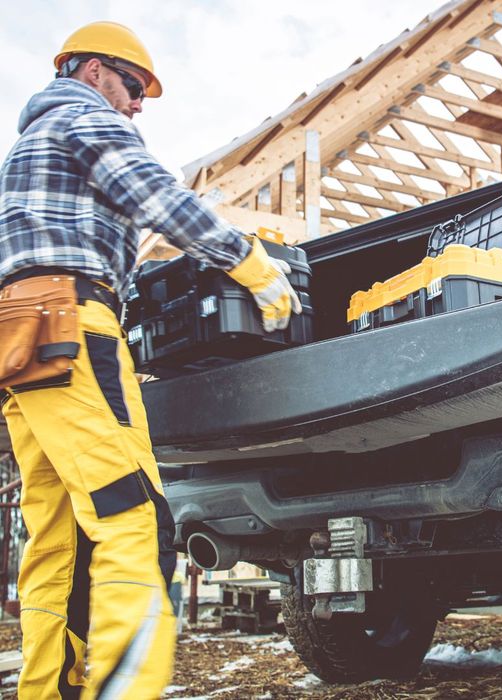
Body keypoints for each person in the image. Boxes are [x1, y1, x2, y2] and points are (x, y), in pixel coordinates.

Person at [0, 20, 301, 700]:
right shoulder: (84, 117)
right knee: (132, 513)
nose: (138, 104)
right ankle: (124, 689)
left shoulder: (27, 145)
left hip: (20, 340)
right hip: (71, 321)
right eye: (133, 86)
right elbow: (159, 197)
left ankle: (48, 689)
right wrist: (250, 263)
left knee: (56, 535)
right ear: (90, 70)